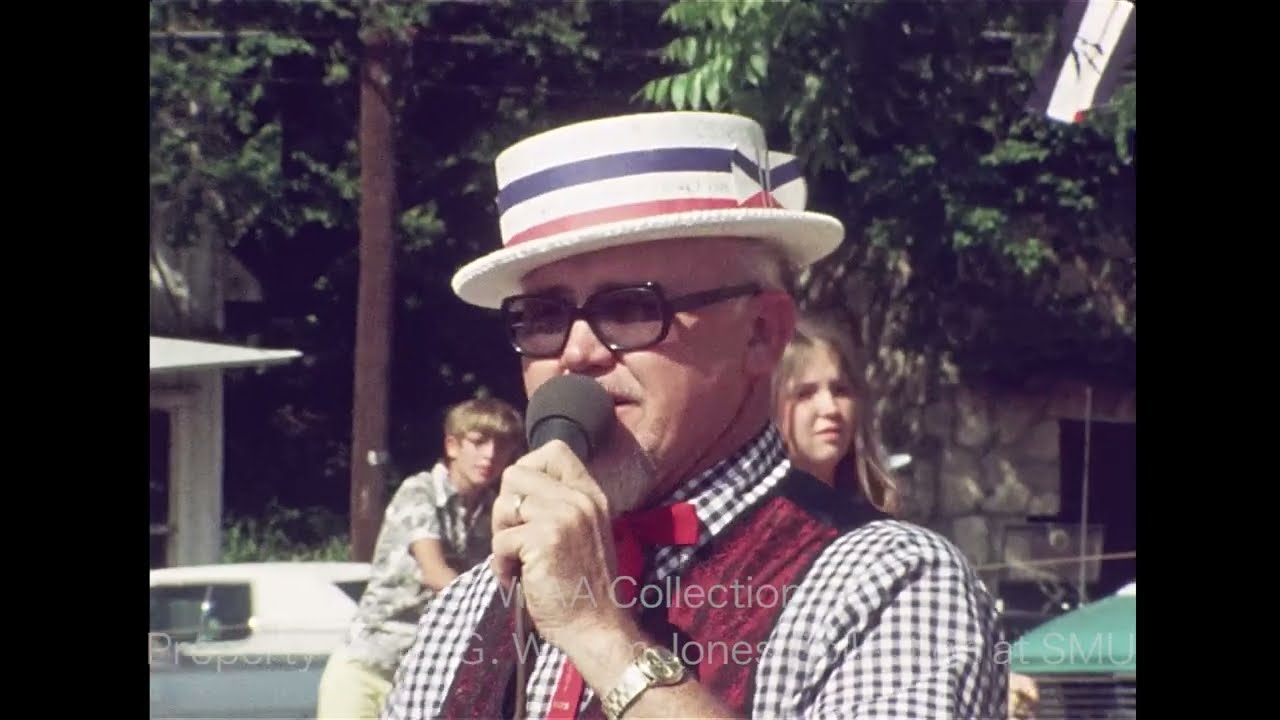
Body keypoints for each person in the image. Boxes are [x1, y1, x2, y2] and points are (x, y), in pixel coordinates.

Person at [383, 111, 1008, 719]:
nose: (577, 353)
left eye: (628, 308)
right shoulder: (463, 610)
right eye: (544, 318)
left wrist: (601, 634)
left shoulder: (888, 585)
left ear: (763, 333)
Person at [316, 396, 524, 720]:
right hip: (368, 667)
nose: (491, 454)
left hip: (422, 678)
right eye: (479, 442)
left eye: (503, 444)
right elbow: (435, 574)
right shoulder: (419, 491)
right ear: (452, 446)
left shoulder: (495, 511)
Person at [771, 311, 901, 514]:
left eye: (841, 390)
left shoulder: (876, 525)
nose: (830, 408)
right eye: (805, 394)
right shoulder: (749, 529)